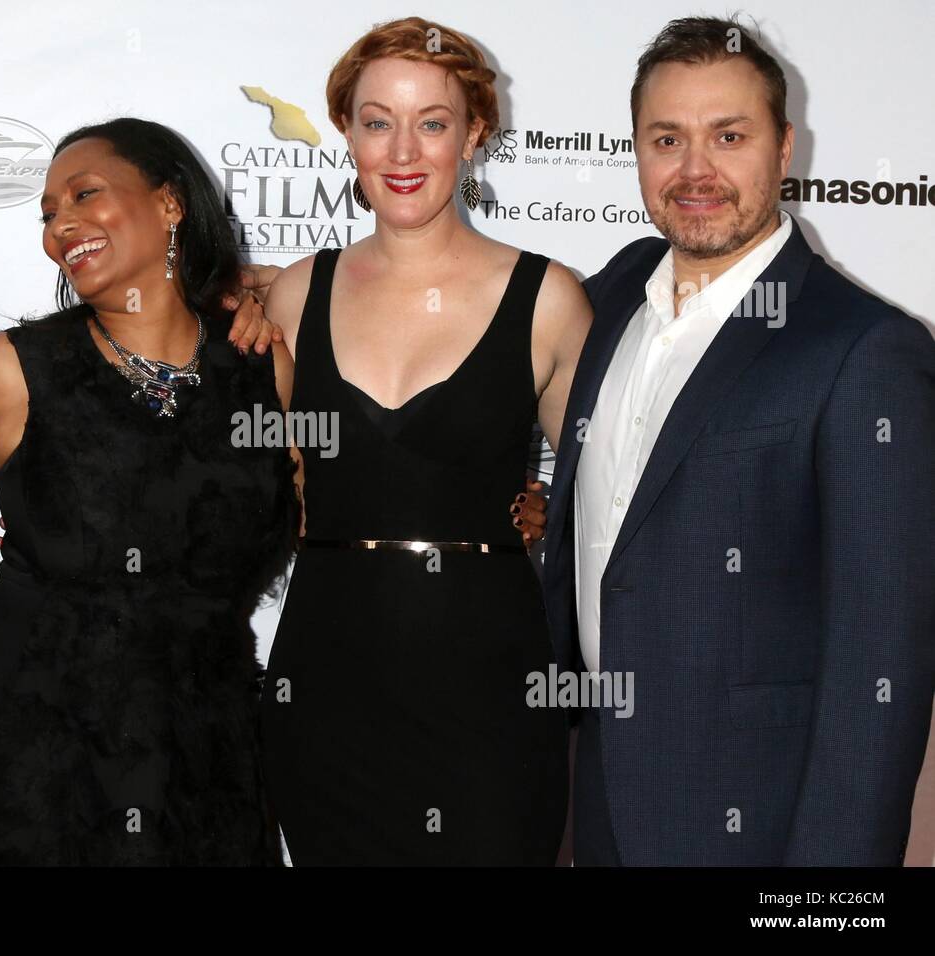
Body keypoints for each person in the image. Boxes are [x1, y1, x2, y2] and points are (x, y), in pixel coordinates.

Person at [542, 16, 935, 865]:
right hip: (602, 798)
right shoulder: (608, 298)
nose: (695, 171)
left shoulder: (865, 350)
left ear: (785, 146)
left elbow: (884, 660)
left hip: (759, 822)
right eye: (667, 139)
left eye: (729, 136)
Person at [0, 118, 301, 865]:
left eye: (85, 194)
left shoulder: (263, 364)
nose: (61, 224)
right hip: (40, 748)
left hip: (208, 748)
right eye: (48, 213)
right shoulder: (10, 372)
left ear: (169, 204)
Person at [259, 17, 592, 864]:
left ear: (474, 134)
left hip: (490, 689)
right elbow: (260, 480)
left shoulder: (548, 298)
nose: (403, 150)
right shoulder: (295, 295)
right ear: (346, 132)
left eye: (433, 122)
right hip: (325, 684)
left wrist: (548, 507)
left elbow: (611, 495)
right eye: (377, 121)